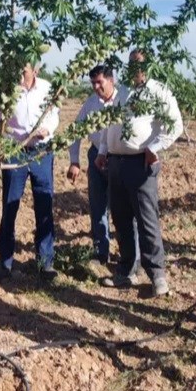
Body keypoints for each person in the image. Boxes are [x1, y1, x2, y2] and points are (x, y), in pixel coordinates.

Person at [95, 50, 183, 297]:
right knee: (121, 219)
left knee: (146, 220)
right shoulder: (122, 91)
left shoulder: (158, 91)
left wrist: (155, 147)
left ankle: (157, 275)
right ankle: (126, 271)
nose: (135, 68)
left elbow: (175, 124)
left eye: (139, 64)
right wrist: (103, 150)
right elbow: (110, 123)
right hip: (116, 163)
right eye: (131, 64)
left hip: (140, 163)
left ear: (150, 65)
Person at [67, 65, 138, 273]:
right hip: (96, 156)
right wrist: (74, 161)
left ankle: (132, 258)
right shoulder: (91, 103)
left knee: (124, 210)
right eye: (93, 83)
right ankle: (101, 253)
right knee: (98, 207)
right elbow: (75, 131)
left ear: (111, 80)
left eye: (100, 82)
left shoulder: (124, 99)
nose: (96, 87)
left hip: (119, 158)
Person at [0, 62, 60, 282]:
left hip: (42, 152)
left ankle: (45, 263)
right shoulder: (7, 90)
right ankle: (5, 264)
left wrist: (47, 129)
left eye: (24, 71)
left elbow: (54, 114)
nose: (20, 75)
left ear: (35, 70)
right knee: (9, 206)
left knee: (44, 204)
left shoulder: (47, 88)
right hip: (15, 152)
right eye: (18, 70)